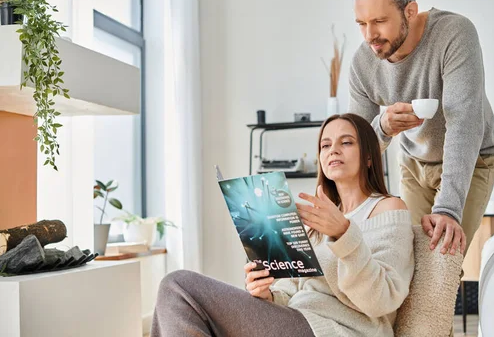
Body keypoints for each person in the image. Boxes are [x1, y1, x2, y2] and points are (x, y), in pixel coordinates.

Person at [151, 113, 414, 337]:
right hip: (294, 317)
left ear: (369, 157)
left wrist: (344, 234)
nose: (333, 149)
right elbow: (291, 290)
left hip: (337, 330)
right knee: (176, 295)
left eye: (346, 142)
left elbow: (382, 300)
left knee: (179, 285)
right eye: (325, 145)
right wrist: (268, 294)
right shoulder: (316, 219)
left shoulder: (388, 208)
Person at [349, 0, 494, 258]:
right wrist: (382, 127)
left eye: (380, 21)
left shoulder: (454, 33)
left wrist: (447, 210)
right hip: (414, 163)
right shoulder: (363, 64)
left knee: (441, 264)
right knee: (406, 263)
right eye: (361, 23)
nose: (370, 35)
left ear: (410, 11)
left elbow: (463, 121)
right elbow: (355, 146)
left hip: (472, 160)